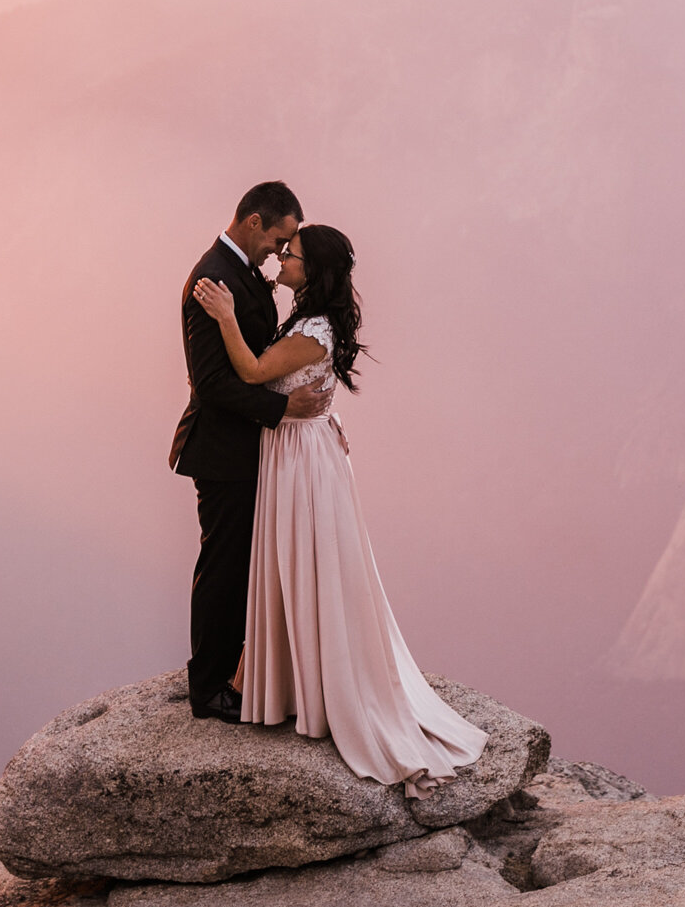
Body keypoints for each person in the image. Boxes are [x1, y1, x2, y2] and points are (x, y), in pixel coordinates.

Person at [192, 223, 487, 793]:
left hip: (299, 457)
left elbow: (254, 372)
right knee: (299, 562)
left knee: (310, 562)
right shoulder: (311, 321)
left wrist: (226, 316)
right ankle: (297, 676)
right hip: (298, 446)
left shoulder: (313, 328)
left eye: (292, 254)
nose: (282, 258)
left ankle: (321, 685)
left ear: (315, 270)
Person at [172, 182, 330, 722]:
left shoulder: (240, 273)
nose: (280, 254)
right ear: (256, 221)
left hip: (252, 449)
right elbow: (210, 383)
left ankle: (240, 674)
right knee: (223, 567)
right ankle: (209, 686)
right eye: (279, 240)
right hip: (221, 453)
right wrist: (283, 412)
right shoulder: (211, 279)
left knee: (245, 566)